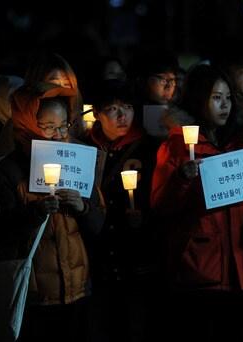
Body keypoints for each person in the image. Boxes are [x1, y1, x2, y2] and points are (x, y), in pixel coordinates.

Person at [151, 64, 243, 341]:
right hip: (199, 268)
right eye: (216, 98)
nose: (224, 105)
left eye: (228, 98)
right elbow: (160, 206)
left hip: (240, 265)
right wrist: (182, 178)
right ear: (198, 99)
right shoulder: (177, 146)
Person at [0, 83, 105, 342]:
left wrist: (83, 208)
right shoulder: (9, 172)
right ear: (27, 122)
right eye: (48, 126)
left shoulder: (77, 162)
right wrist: (35, 212)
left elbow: (99, 224)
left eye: (63, 126)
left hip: (78, 288)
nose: (58, 135)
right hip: (34, 295)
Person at [85, 79, 160, 342]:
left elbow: (164, 198)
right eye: (113, 109)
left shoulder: (150, 149)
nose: (122, 116)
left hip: (137, 258)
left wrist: (146, 218)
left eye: (127, 107)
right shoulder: (83, 149)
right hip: (96, 259)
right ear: (96, 113)